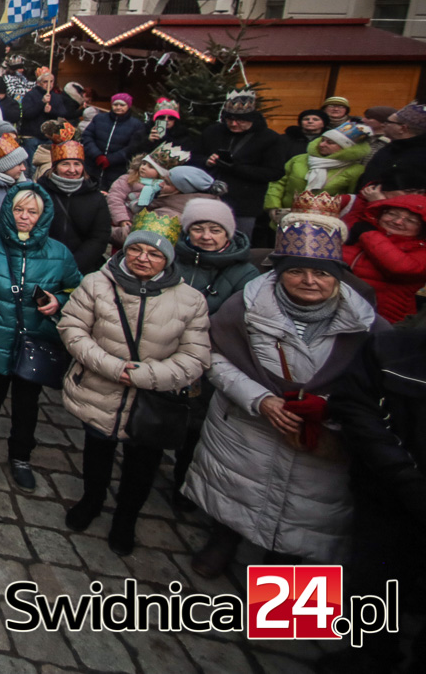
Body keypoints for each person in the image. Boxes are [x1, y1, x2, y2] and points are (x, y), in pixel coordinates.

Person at [184, 211, 384, 578]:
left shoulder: (367, 325)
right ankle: (223, 540)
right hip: (246, 427)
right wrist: (260, 399)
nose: (309, 281)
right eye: (297, 271)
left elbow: (376, 386)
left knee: (302, 516)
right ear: (279, 273)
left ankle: (283, 581)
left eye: (322, 273)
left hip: (319, 438)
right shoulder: (244, 306)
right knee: (236, 490)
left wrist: (327, 407)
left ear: (338, 277)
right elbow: (213, 355)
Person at [57, 213, 211, 554]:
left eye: (154, 253)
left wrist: (143, 376)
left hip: (152, 401)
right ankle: (92, 500)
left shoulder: (190, 301)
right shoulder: (97, 284)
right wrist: (113, 368)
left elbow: (195, 357)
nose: (143, 258)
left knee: (142, 465)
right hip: (100, 389)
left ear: (168, 258)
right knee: (97, 451)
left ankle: (126, 518)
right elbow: (72, 329)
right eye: (136, 249)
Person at [0, 181, 83, 491]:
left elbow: (76, 288)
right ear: (9, 210)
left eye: (32, 212)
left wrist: (58, 300)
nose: (24, 217)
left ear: (42, 216)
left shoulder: (59, 253)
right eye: (19, 209)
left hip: (35, 338)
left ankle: (21, 455)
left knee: (27, 401)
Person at [327, 322, 426, 674]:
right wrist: (404, 475)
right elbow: (355, 405)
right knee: (373, 585)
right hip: (388, 496)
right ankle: (369, 657)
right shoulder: (392, 347)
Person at [170, 196, 259, 508]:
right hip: (162, 349)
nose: (206, 236)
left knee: (194, 422)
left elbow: (239, 322)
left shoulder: (245, 273)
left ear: (228, 233)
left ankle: (182, 481)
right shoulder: (172, 258)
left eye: (215, 229)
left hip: (207, 357)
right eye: (198, 228)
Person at [189, 90, 282, 241]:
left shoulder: (270, 138)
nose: (233, 124)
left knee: (239, 241)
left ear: (252, 119)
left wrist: (235, 168)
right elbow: (193, 157)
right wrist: (207, 161)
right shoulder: (212, 132)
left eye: (240, 120)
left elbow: (274, 172)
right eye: (229, 119)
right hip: (209, 198)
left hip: (245, 203)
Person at [342, 195, 426, 323]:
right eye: (392, 214)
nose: (398, 222)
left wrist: (368, 234)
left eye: (411, 221)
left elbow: (400, 268)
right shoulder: (359, 235)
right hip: (339, 313)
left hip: (383, 321)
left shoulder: (421, 250)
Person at [37, 133, 112, 273]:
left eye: (77, 164)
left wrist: (73, 266)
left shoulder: (96, 198)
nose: (72, 170)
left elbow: (99, 238)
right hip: (43, 264)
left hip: (81, 268)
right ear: (55, 167)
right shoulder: (40, 193)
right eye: (65, 164)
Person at [265, 120, 372, 210]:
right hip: (285, 215)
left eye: (330, 142)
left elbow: (352, 200)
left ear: (345, 148)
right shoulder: (299, 159)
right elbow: (277, 184)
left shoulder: (355, 170)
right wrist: (274, 207)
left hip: (325, 222)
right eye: (322, 140)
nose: (322, 144)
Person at [82, 93, 146, 189]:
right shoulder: (99, 118)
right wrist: (97, 155)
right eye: (115, 104)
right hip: (93, 166)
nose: (118, 107)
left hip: (117, 170)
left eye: (122, 105)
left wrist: (111, 159)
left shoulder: (136, 125)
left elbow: (133, 147)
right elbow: (87, 136)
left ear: (128, 106)